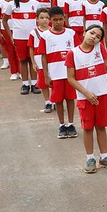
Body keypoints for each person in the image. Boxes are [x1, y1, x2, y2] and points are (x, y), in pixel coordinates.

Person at [66, 24, 107, 173]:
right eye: (92, 33)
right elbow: (71, 78)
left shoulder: (99, 48)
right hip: (85, 98)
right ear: (84, 32)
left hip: (102, 95)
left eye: (97, 37)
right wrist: (87, 93)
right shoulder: (73, 53)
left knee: (101, 126)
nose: (94, 37)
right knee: (88, 128)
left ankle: (104, 156)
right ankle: (90, 158)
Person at [40, 7, 78, 139]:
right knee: (58, 100)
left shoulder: (71, 34)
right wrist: (46, 75)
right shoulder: (45, 36)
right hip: (55, 74)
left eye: (60, 19)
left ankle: (71, 124)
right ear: (50, 20)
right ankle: (62, 124)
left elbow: (77, 54)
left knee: (70, 99)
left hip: (69, 74)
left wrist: (76, 72)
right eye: (55, 20)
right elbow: (44, 56)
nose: (58, 22)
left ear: (64, 19)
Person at [3, 0, 40, 91]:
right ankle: (25, 84)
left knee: (32, 60)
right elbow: (4, 21)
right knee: (23, 60)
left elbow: (39, 21)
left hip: (33, 38)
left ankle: (34, 84)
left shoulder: (35, 3)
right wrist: (11, 36)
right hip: (19, 38)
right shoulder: (12, 5)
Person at [29, 9, 51, 106]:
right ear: (37, 19)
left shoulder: (52, 31)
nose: (44, 20)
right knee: (43, 83)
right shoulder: (33, 33)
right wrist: (33, 62)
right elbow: (31, 48)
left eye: (47, 18)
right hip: (39, 61)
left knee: (53, 82)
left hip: (52, 61)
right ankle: (47, 102)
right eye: (42, 18)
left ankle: (54, 100)